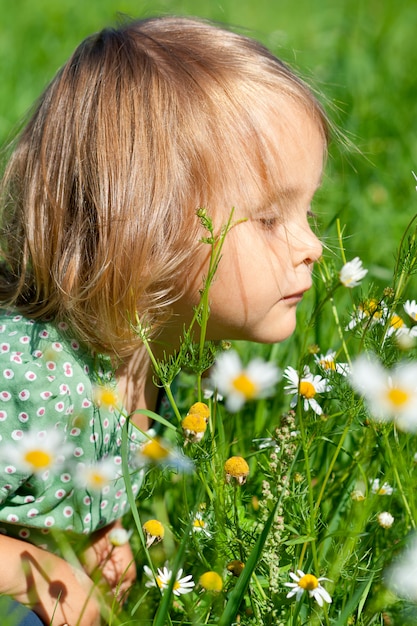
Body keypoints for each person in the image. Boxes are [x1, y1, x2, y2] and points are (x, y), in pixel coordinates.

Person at [0, 14, 327, 625]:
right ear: (142, 228)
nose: (311, 245)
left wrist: (93, 525)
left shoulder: (154, 358)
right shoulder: (36, 382)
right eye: (269, 219)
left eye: (308, 211)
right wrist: (38, 571)